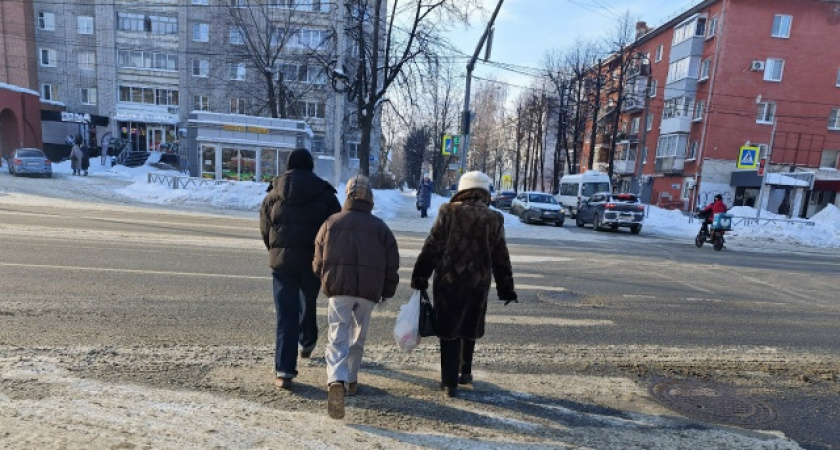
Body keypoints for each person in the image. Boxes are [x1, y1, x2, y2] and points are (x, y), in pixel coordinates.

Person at [410, 170, 517, 398]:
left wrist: (420, 276)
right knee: (471, 325)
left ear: (462, 189)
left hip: (448, 283)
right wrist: (506, 288)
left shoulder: (448, 212)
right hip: (478, 283)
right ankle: (465, 372)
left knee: (448, 330)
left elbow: (433, 247)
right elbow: (501, 256)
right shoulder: (494, 218)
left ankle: (450, 383)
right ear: (484, 191)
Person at [313, 175, 400, 419]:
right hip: (368, 292)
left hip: (338, 288)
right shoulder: (381, 228)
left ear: (348, 195)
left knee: (337, 334)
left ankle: (335, 380)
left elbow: (318, 258)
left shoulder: (331, 222)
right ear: (370, 198)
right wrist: (387, 290)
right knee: (358, 335)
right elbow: (392, 263)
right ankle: (351, 380)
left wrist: (322, 277)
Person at [260, 149, 341, 390]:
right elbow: (334, 228)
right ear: (311, 166)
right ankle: (307, 341)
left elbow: (265, 229)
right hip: (312, 261)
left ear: (288, 167)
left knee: (286, 313)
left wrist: (275, 250)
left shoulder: (273, 193)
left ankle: (284, 372)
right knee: (308, 299)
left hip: (282, 264)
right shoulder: (325, 194)